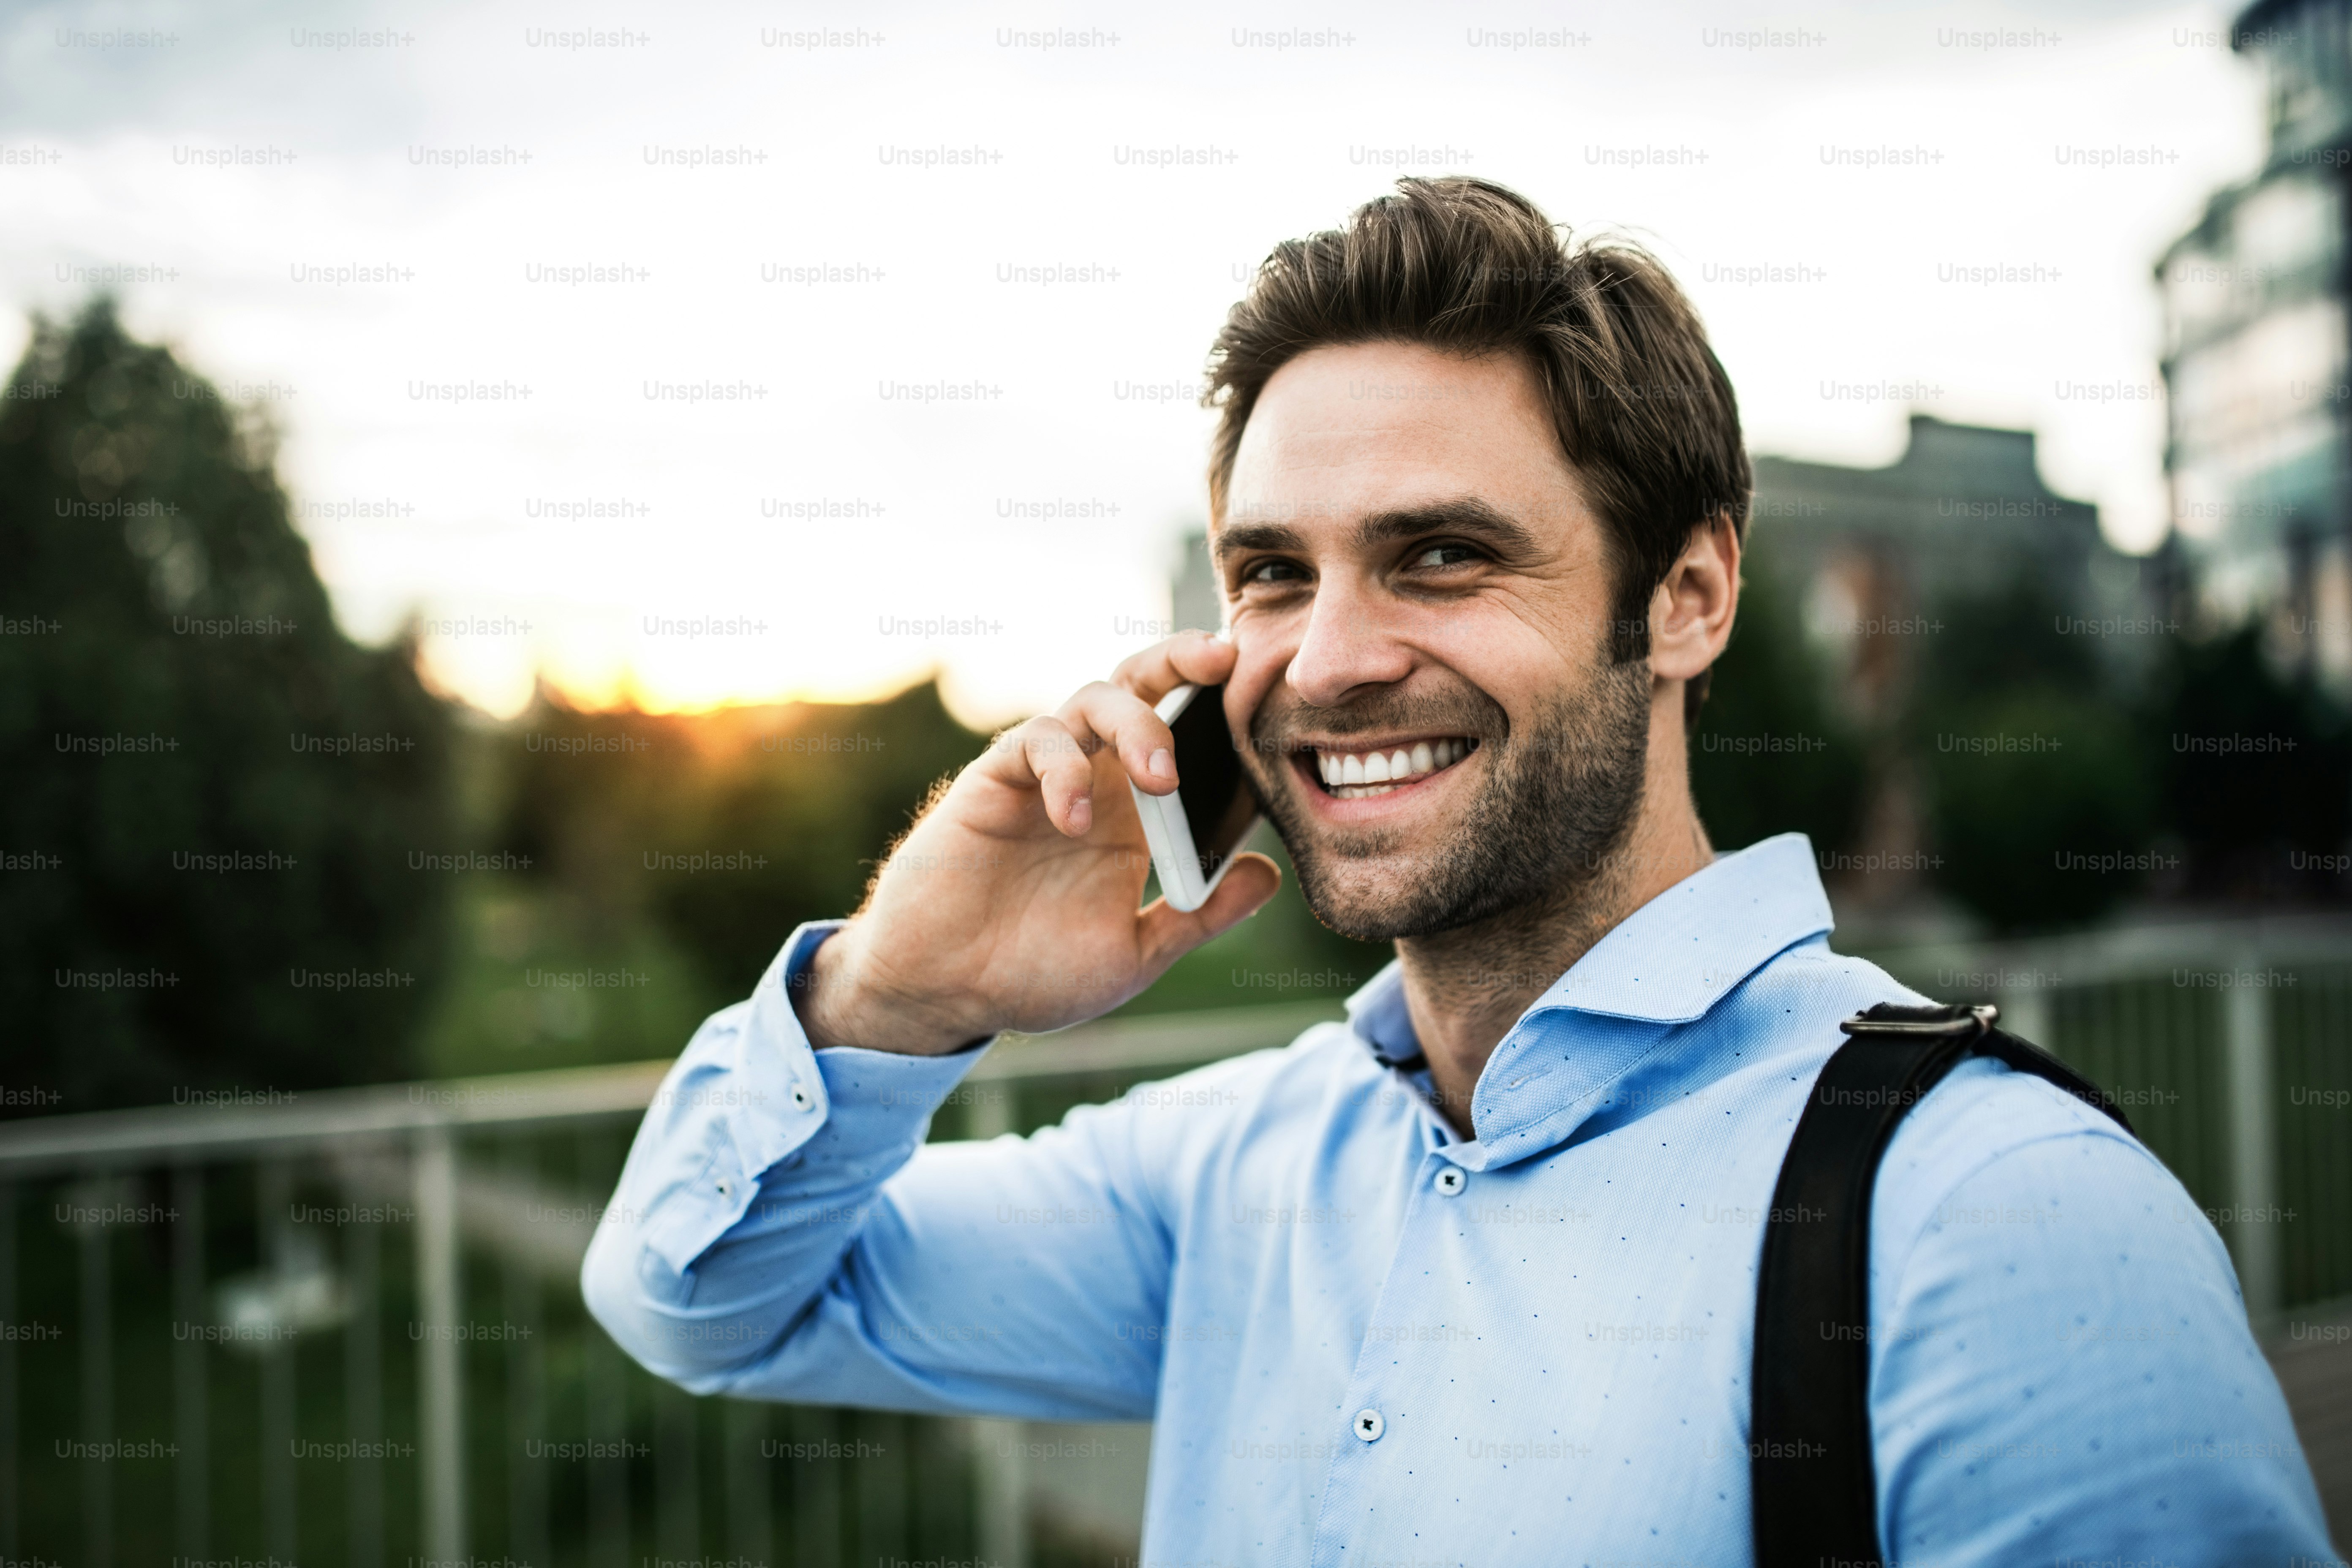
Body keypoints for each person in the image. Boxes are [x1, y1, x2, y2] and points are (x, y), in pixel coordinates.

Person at [583, 177, 2332, 1562]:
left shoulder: (2003, 1223)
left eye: (1440, 555)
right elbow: (703, 1301)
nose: (1328, 661)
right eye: (1272, 574)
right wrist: (899, 986)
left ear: (1691, 597)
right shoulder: (1226, 1172)